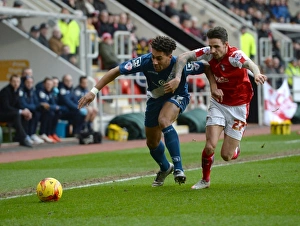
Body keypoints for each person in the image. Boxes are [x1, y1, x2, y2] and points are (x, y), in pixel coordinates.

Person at [78, 36, 214, 187]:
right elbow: (116, 71)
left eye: (159, 58)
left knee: (164, 120)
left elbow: (206, 66)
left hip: (178, 96)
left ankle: (178, 168)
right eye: (153, 56)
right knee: (152, 142)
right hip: (155, 99)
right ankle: (165, 167)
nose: (154, 61)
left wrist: (215, 88)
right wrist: (93, 91)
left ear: (170, 56)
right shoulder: (145, 61)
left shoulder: (181, 65)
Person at [173, 26, 267, 190]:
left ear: (226, 44)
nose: (213, 50)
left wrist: (257, 74)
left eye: (216, 46)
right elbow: (183, 57)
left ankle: (235, 147)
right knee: (210, 146)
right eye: (210, 46)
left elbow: (250, 63)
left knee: (226, 156)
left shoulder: (234, 56)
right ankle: (205, 180)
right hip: (219, 103)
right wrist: (177, 77)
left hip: (239, 105)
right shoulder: (208, 52)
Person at [0, 75, 33, 147]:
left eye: (18, 82)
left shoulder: (17, 91)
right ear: (10, 82)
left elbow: (18, 104)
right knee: (17, 114)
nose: (16, 83)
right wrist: (20, 111)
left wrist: (25, 110)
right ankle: (24, 137)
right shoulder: (5, 91)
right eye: (14, 81)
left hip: (11, 113)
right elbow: (6, 107)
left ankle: (18, 137)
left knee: (24, 115)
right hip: (2, 114)